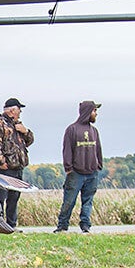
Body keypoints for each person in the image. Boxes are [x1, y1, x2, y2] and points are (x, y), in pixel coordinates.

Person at [55, 100, 103, 233]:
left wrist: (99, 164)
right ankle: (62, 226)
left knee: (88, 201)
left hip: (92, 172)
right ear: (88, 112)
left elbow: (98, 148)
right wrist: (68, 168)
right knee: (69, 201)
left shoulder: (94, 131)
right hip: (76, 173)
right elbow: (67, 150)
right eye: (94, 111)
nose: (96, 114)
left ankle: (86, 225)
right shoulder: (72, 129)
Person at [0, 97, 34, 229]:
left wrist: (26, 132)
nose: (20, 112)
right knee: (0, 198)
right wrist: (1, 163)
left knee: (14, 199)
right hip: (5, 170)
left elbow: (29, 142)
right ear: (12, 110)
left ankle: (11, 225)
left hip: (18, 168)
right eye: (19, 109)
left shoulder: (18, 125)